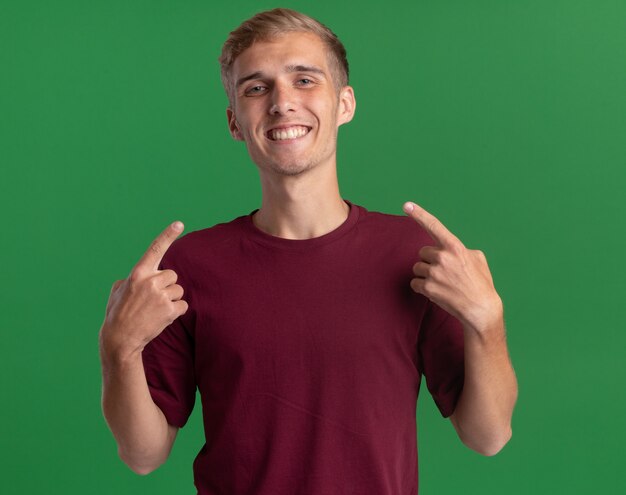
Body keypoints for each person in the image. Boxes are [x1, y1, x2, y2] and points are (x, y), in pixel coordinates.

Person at [99, 8, 518, 494]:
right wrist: (118, 351)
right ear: (235, 122)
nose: (282, 103)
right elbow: (143, 454)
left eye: (304, 80)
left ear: (345, 103)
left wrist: (488, 321)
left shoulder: (415, 257)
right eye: (257, 88)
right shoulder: (187, 269)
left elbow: (487, 436)